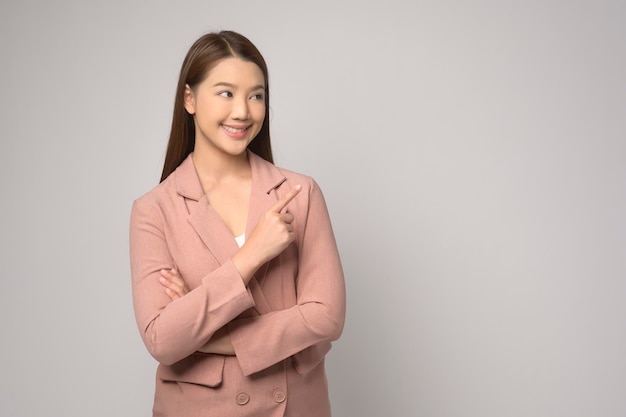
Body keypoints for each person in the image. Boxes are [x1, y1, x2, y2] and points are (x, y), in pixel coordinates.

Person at [129, 30, 346, 417]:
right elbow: (162, 339)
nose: (244, 111)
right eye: (226, 93)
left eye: (256, 95)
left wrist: (203, 337)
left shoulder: (300, 192)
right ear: (189, 99)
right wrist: (251, 255)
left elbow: (325, 316)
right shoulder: (153, 210)